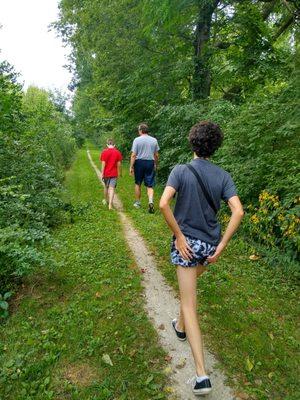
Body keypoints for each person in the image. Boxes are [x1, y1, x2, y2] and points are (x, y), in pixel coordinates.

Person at [159, 121, 244, 396]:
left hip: (188, 249)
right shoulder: (223, 175)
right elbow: (238, 212)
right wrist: (222, 245)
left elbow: (162, 204)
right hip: (209, 248)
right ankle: (179, 327)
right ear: (215, 146)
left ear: (192, 143)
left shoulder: (180, 170)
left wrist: (180, 237)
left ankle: (202, 375)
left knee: (189, 303)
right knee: (188, 294)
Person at [130, 123, 159, 214]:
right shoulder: (154, 140)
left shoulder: (137, 140)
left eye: (138, 130)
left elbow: (134, 155)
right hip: (150, 162)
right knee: (150, 185)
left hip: (139, 163)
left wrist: (131, 166)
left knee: (138, 183)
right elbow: (156, 155)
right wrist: (155, 164)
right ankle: (150, 201)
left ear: (141, 130)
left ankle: (138, 203)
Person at [100, 139, 122, 210]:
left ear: (107, 145)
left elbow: (103, 163)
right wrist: (119, 173)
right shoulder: (117, 152)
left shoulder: (104, 152)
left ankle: (105, 200)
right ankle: (110, 205)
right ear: (114, 145)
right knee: (112, 188)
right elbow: (119, 164)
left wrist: (102, 173)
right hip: (114, 174)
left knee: (106, 187)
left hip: (106, 173)